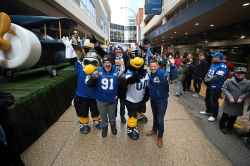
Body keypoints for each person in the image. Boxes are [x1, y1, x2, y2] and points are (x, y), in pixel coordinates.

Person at [90, 55, 119, 137]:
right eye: (105, 63)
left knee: (112, 116)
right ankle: (105, 128)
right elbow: (89, 84)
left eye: (109, 62)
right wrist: (93, 77)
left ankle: (113, 127)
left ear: (112, 63)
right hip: (101, 100)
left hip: (112, 100)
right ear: (102, 64)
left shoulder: (116, 70)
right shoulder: (97, 70)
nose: (107, 64)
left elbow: (121, 84)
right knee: (103, 117)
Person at [73, 49, 101, 134]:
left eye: (93, 63)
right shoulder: (79, 67)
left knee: (96, 110)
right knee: (82, 111)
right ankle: (84, 123)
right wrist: (72, 48)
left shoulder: (99, 71)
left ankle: (96, 120)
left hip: (94, 96)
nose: (90, 65)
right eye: (87, 62)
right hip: (81, 96)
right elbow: (72, 58)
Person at [219, 67, 250, 134]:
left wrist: (242, 97)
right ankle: (222, 126)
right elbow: (224, 88)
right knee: (225, 115)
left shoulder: (248, 83)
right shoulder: (229, 81)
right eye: (238, 73)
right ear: (235, 73)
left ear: (245, 74)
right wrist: (229, 96)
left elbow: (248, 92)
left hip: (238, 103)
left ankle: (229, 128)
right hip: (229, 102)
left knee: (234, 116)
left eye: (242, 73)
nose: (240, 74)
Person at [147, 60, 169, 148]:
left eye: (154, 66)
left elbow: (167, 80)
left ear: (158, 66)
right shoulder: (150, 74)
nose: (152, 68)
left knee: (160, 119)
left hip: (162, 100)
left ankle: (160, 137)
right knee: (155, 116)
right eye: (151, 66)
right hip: (153, 99)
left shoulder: (162, 74)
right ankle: (154, 130)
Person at [200, 51, 228, 122]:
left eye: (215, 57)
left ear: (219, 58)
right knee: (207, 99)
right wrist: (205, 78)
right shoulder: (213, 64)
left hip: (216, 87)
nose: (213, 58)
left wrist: (207, 80)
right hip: (209, 85)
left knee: (214, 101)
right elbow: (208, 73)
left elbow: (217, 77)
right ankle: (208, 111)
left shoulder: (222, 66)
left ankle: (214, 115)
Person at [112, 46, 127, 123]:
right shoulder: (112, 58)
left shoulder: (125, 58)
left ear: (122, 51)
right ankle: (114, 116)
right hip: (115, 83)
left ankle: (122, 116)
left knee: (122, 102)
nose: (118, 51)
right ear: (114, 51)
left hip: (123, 83)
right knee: (114, 101)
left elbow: (128, 68)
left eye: (119, 49)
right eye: (116, 50)